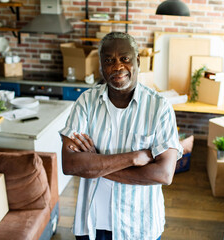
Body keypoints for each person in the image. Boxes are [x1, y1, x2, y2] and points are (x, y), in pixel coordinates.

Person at [59, 32, 183, 240]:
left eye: (125, 58)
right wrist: (133, 158)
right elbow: (70, 165)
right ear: (101, 65)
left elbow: (163, 174)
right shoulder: (85, 102)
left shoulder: (160, 108)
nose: (117, 66)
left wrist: (93, 164)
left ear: (137, 61)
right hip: (91, 223)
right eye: (109, 60)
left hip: (140, 227)